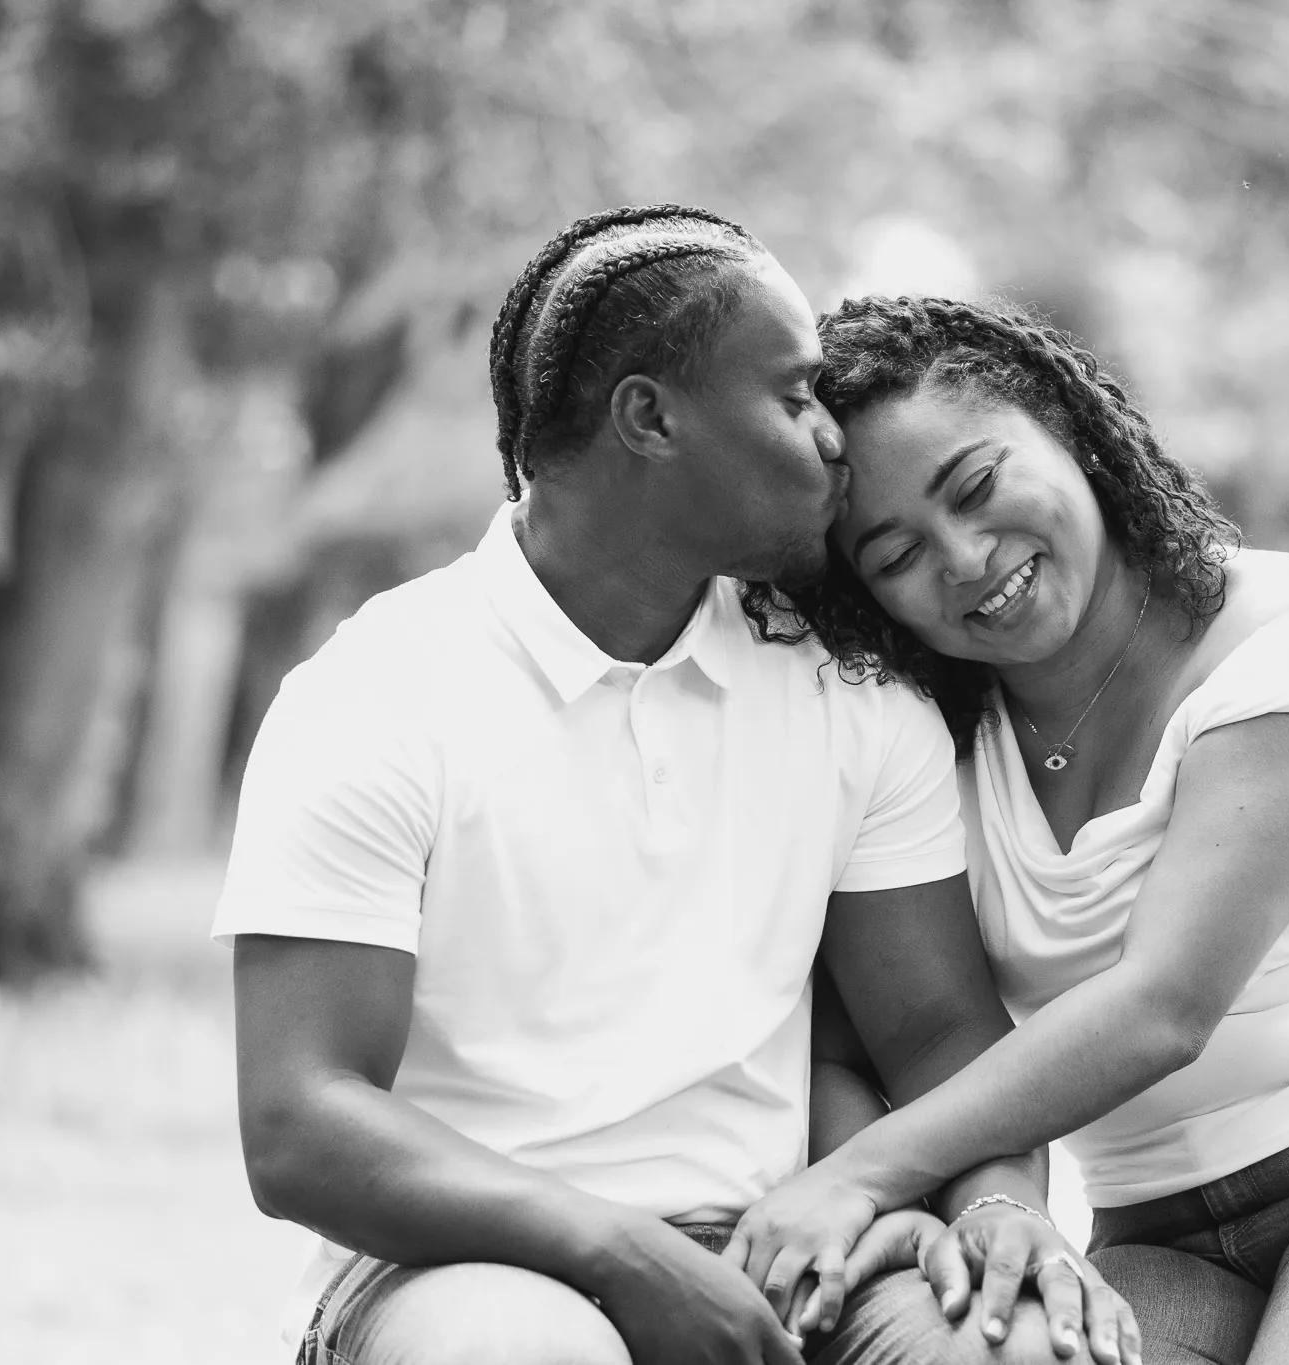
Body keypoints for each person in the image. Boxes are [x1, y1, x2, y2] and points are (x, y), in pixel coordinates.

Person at [214, 209, 1139, 1365]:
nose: (832, 439)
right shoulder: (377, 692)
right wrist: (622, 1253)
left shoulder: (848, 697)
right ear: (648, 418)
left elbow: (938, 1035)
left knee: (1013, 1353)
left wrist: (1000, 1204)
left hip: (781, 1255)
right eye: (793, 397)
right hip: (453, 1271)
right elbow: (299, 1125)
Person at [728, 296, 1289, 1363]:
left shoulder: (1285, 635)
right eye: (894, 554)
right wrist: (971, 1206)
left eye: (975, 487)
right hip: (1154, 1237)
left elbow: (1162, 1007)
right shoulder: (931, 750)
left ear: (1067, 429)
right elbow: (858, 1041)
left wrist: (856, 1175)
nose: (963, 558)